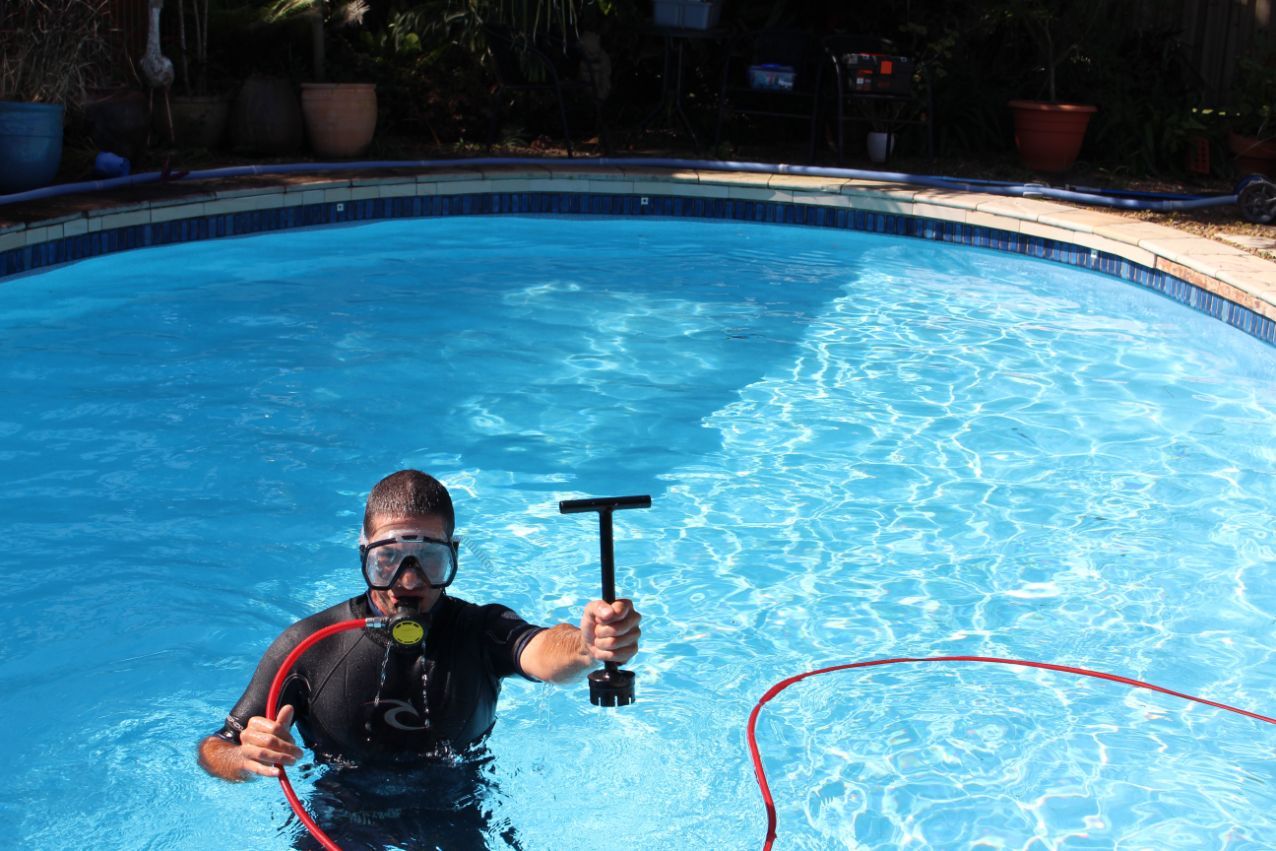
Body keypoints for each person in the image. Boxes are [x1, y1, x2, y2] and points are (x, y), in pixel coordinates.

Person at [198, 470, 642, 845]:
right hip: (343, 811)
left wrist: (587, 647)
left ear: (453, 556)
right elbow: (216, 748)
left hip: (457, 806)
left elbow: (542, 650)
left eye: (429, 558)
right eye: (388, 558)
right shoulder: (310, 645)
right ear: (364, 556)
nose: (408, 581)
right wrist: (245, 758)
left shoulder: (479, 629)